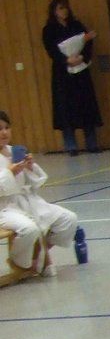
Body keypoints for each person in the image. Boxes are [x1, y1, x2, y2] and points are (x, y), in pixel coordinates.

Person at [0, 109, 83, 276]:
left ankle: (37, 255)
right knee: (29, 229)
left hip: (27, 201)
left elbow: (34, 183)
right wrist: (10, 173)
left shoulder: (15, 151)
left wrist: (30, 167)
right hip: (4, 208)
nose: (4, 133)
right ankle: (19, 261)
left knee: (69, 219)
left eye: (7, 128)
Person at [40, 0, 102, 156]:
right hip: (63, 73)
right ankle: (71, 146)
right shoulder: (49, 29)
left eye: (66, 7)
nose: (64, 11)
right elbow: (51, 50)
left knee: (86, 105)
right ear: (54, 11)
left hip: (80, 70)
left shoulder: (76, 25)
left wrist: (82, 57)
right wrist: (66, 60)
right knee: (65, 109)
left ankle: (92, 143)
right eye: (61, 8)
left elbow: (87, 42)